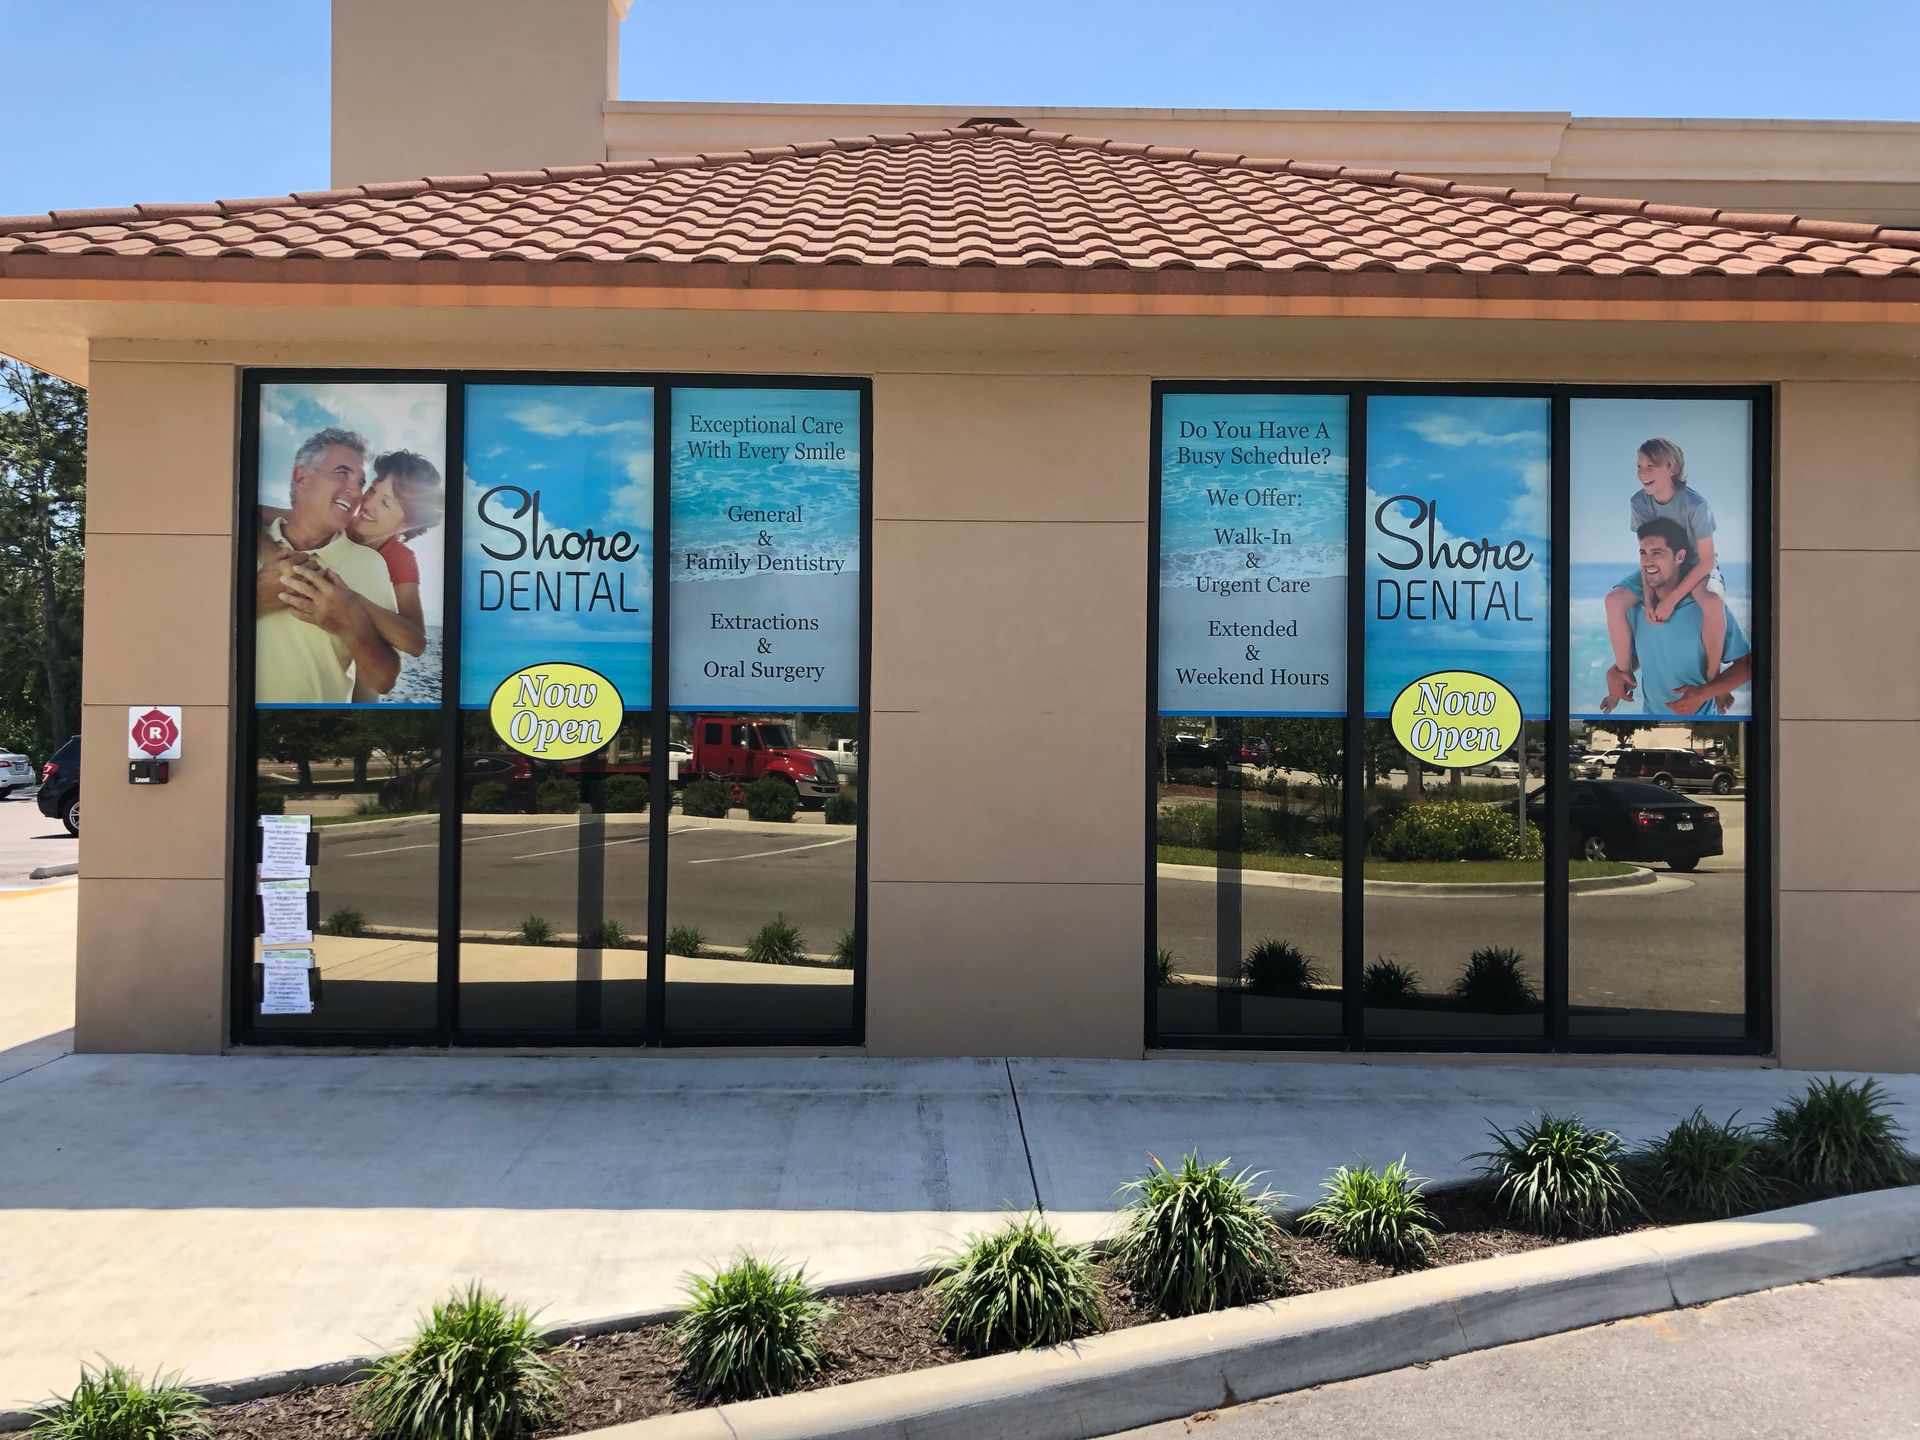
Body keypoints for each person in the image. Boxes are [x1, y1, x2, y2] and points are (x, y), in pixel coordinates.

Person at [254, 427, 401, 704]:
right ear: (300, 477)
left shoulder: (369, 564)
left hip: (323, 734)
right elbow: (192, 634)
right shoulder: (237, 547)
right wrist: (257, 596)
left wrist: (350, 624)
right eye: (342, 472)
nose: (354, 490)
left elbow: (383, 681)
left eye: (360, 481)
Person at [1601, 438, 1728, 710]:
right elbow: (1646, 556)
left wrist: (1670, 601)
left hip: (1695, 566)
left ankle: (1713, 679)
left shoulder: (1695, 504)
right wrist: (1649, 601)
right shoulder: (1639, 503)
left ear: (1670, 468)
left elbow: (1707, 560)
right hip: (1660, 566)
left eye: (1650, 466)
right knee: (1613, 601)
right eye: (1639, 465)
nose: (1642, 472)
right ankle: (1624, 673)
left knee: (1712, 602)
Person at [1603, 517, 1751, 716]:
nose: (1648, 560)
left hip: (1702, 722)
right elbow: (1648, 653)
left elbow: (1747, 665)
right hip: (1650, 719)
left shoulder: (1706, 609)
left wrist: (1708, 692)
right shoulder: (1636, 609)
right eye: (1643, 553)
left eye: (1657, 553)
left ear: (1679, 557)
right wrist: (1617, 673)